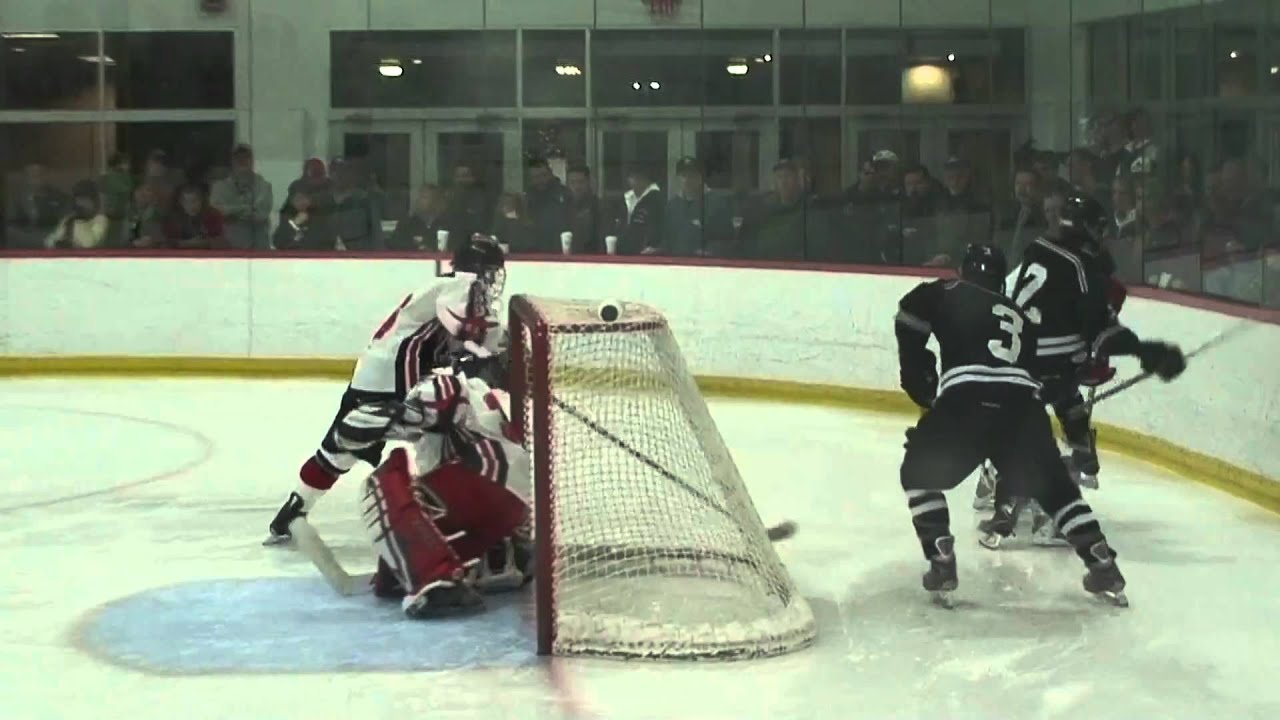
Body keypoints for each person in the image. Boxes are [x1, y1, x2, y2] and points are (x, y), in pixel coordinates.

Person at [894, 244, 1182, 607]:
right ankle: (1101, 561)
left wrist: (920, 379)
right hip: (1023, 407)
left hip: (966, 399)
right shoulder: (1019, 317)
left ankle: (941, 557)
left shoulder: (946, 291)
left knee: (917, 474)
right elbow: (1033, 381)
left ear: (964, 272)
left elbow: (908, 316)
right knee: (1058, 491)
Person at [264, 235, 508, 545]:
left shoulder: (444, 287)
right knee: (443, 424)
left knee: (341, 450)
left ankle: (294, 508)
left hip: (374, 371)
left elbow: (456, 338)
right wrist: (485, 354)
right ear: (476, 268)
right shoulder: (460, 286)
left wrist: (480, 351)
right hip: (393, 374)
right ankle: (443, 510)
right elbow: (466, 329)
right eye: (490, 270)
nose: (493, 279)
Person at [977, 194, 1151, 546]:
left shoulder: (1039, 248)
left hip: (1014, 351)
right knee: (1055, 415)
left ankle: (1006, 489)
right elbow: (1097, 322)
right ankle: (1049, 491)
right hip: (1052, 360)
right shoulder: (1087, 266)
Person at [343, 371, 532, 617]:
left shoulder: (441, 380)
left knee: (379, 485)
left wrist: (378, 420)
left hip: (484, 481)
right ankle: (502, 558)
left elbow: (443, 397)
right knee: (393, 575)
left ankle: (437, 582)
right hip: (506, 509)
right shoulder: (480, 394)